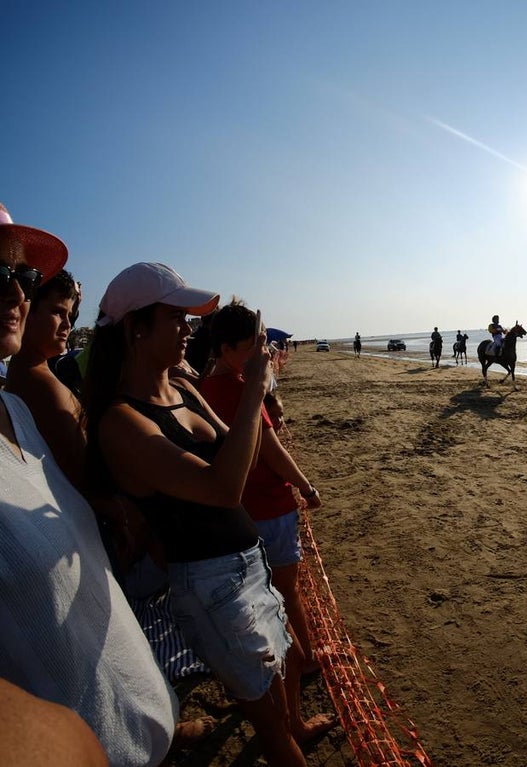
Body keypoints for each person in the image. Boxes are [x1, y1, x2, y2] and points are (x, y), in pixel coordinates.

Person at [83, 262, 317, 767]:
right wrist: (255, 387)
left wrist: (256, 397)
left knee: (287, 674)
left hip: (247, 561)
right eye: (176, 317)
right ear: (135, 327)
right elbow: (227, 486)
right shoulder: (120, 422)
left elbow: (246, 454)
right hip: (211, 586)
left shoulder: (184, 389)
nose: (189, 329)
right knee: (273, 728)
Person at [1, 205, 177, 766]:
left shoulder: (14, 408)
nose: (15, 295)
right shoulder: (38, 392)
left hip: (134, 724)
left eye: (22, 276)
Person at [200, 302, 324, 680]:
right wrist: (307, 487)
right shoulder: (243, 389)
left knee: (266, 590)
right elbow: (273, 452)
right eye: (256, 344)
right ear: (227, 350)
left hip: (239, 511)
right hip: (270, 507)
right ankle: (305, 661)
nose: (266, 351)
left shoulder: (206, 386)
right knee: (287, 590)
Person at [3, 268, 85, 488]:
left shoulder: (26, 374)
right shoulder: (44, 387)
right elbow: (85, 472)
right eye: (58, 312)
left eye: (71, 315)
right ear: (27, 313)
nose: (68, 324)